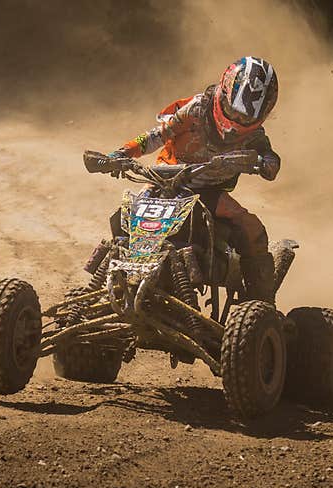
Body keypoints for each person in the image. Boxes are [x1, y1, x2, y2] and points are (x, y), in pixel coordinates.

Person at [107, 56, 281, 303]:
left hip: (209, 191)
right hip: (166, 179)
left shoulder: (255, 137)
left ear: (261, 116)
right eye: (232, 111)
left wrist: (265, 164)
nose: (234, 122)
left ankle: (261, 302)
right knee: (126, 216)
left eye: (244, 119)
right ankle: (112, 276)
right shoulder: (198, 109)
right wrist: (122, 153)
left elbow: (271, 159)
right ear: (223, 91)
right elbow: (159, 134)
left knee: (250, 228)